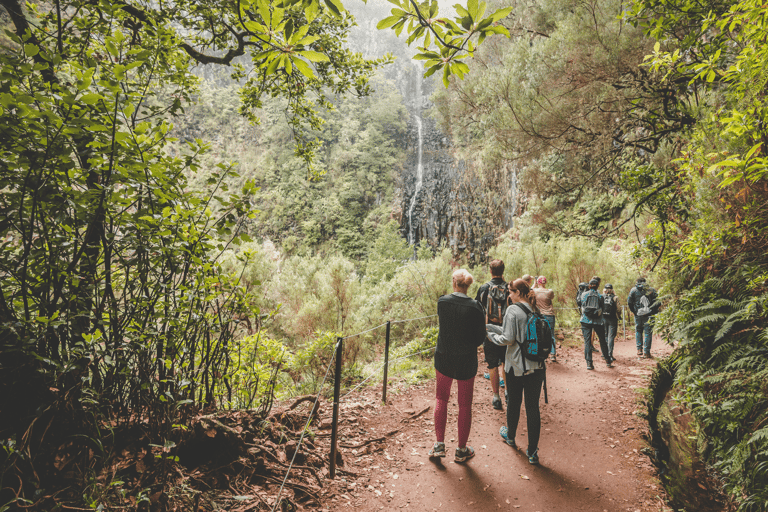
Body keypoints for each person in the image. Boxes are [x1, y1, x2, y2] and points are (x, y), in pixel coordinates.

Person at [486, 278, 546, 465]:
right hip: (536, 367)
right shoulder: (535, 309)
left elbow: (508, 338)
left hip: (516, 366)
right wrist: (493, 328)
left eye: (510, 292)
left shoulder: (512, 310)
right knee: (532, 408)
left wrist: (490, 335)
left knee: (513, 402)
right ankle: (532, 452)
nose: (508, 295)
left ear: (518, 293)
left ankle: (511, 436)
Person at [429, 269, 486, 463]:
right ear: (468, 285)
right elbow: (480, 338)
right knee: (464, 404)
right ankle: (461, 449)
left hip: (444, 356)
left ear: (454, 282)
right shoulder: (476, 307)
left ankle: (439, 445)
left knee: (441, 399)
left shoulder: (442, 302)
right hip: (466, 360)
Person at [475, 259, 509, 410]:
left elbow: (477, 309)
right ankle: (508, 392)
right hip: (508, 332)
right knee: (506, 363)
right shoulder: (510, 288)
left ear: (490, 271)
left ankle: (496, 396)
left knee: (492, 364)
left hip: (489, 332)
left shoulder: (484, 288)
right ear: (503, 271)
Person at [580, 278, 612, 370]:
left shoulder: (584, 295)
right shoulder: (600, 296)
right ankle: (607, 360)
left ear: (589, 286)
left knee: (587, 342)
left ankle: (589, 363)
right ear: (598, 286)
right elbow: (603, 308)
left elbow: (582, 305)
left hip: (585, 321)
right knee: (602, 340)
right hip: (598, 321)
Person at [627, 277, 658, 358]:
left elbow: (629, 302)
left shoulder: (633, 290)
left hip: (638, 314)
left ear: (637, 282)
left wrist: (634, 311)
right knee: (648, 332)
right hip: (649, 314)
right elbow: (657, 301)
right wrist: (653, 311)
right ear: (645, 281)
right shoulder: (651, 290)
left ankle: (639, 349)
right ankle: (647, 352)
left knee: (638, 330)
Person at [533, 276, 557, 362]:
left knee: (539, 334)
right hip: (549, 315)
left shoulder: (534, 291)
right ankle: (553, 354)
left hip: (539, 315)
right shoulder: (550, 291)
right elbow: (552, 298)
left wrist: (534, 283)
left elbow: (530, 290)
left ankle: (541, 353)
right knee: (551, 334)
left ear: (538, 282)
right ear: (545, 282)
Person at [602, 283, 622, 363]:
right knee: (611, 337)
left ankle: (604, 354)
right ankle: (609, 354)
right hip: (613, 319)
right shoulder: (615, 297)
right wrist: (618, 316)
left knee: (605, 336)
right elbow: (619, 309)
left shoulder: (602, 296)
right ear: (612, 290)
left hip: (603, 319)